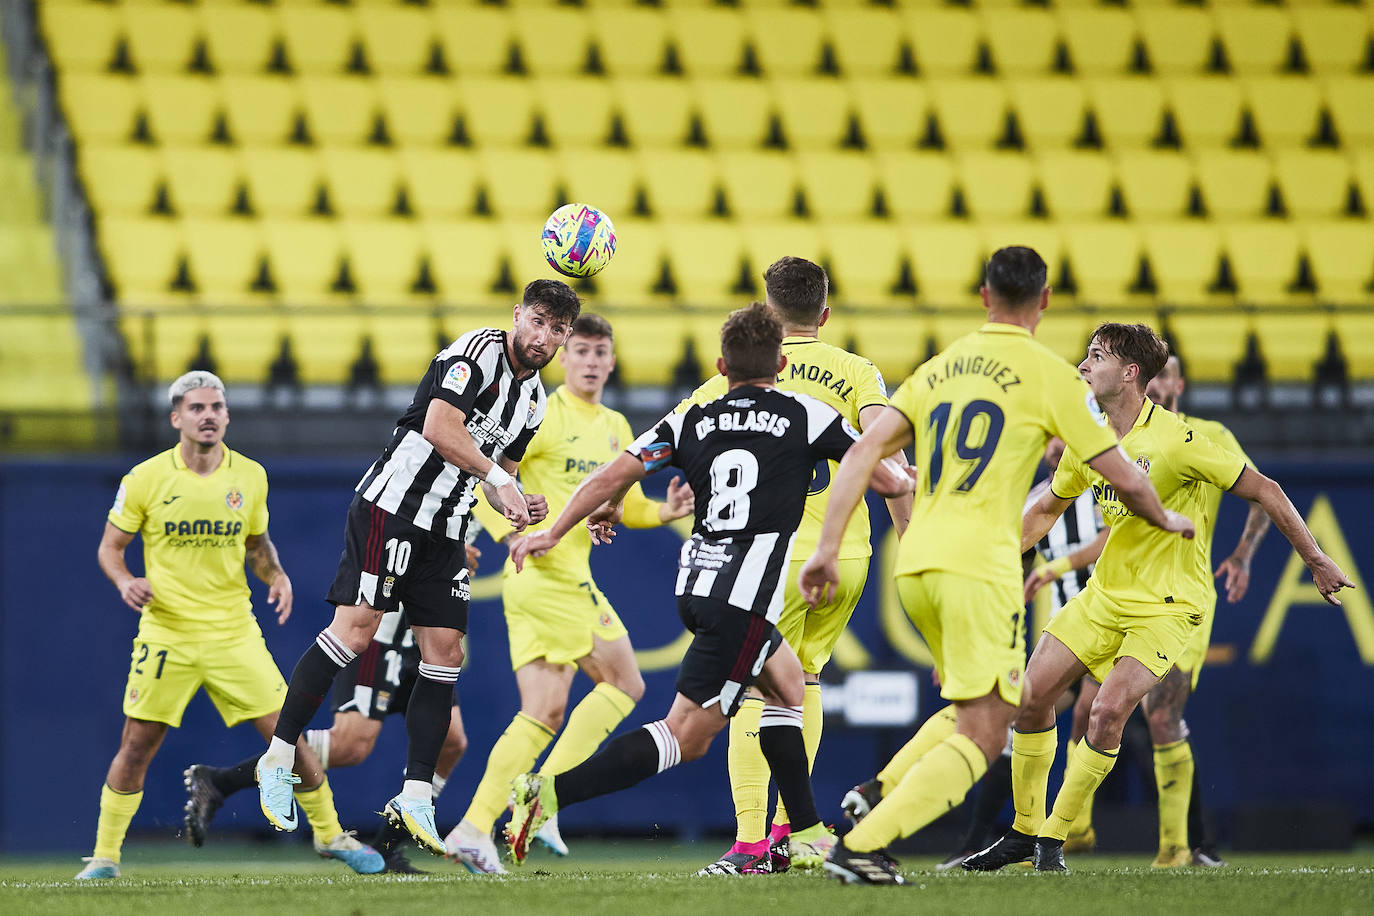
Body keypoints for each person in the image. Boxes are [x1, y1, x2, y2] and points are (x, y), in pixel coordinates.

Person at [798, 247, 1193, 886]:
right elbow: (1121, 472)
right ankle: (862, 843)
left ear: (983, 295)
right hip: (981, 568)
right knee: (986, 733)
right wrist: (1165, 516)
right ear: (1043, 302)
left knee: (975, 708)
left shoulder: (941, 366)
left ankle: (879, 792)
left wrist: (826, 547)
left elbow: (863, 452)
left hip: (916, 559)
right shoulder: (1050, 378)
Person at [502, 303, 912, 869]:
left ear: (722, 364)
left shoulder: (693, 416)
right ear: (780, 363)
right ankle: (547, 794)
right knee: (686, 736)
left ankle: (808, 831)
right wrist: (900, 472)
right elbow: (887, 477)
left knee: (787, 686)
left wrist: (554, 530)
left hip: (697, 584)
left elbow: (610, 477)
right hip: (743, 597)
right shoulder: (808, 415)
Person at [965, 324, 1353, 874]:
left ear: (1129, 374)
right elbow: (1049, 507)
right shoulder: (1090, 438)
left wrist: (1315, 559)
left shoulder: (1179, 440)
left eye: (1095, 357)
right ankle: (1023, 833)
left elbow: (1265, 489)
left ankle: (1054, 841)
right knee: (1030, 700)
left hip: (1169, 605)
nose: (1082, 365)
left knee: (1107, 711)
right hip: (1105, 596)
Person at [254, 280, 579, 855]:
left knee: (445, 653)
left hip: (448, 524)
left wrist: (519, 501)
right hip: (393, 506)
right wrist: (500, 480)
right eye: (536, 320)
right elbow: (440, 428)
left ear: (565, 336)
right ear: (517, 316)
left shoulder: (535, 401)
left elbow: (501, 462)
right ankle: (278, 756)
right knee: (353, 632)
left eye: (556, 328)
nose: (542, 336)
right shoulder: (476, 352)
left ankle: (414, 793)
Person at [78, 371, 382, 880]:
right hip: (167, 632)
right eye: (197, 408)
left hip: (233, 632)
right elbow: (110, 547)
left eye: (217, 407)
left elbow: (256, 545)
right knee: (136, 745)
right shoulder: (146, 478)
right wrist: (125, 580)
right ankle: (105, 857)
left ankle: (330, 835)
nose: (209, 415)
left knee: (288, 738)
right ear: (177, 418)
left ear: (226, 416)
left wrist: (277, 574)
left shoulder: (250, 476)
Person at [675, 257, 912, 876]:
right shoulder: (857, 371)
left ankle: (753, 843)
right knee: (800, 685)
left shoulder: (737, 374)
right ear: (824, 314)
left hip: (767, 558)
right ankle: (793, 834)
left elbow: (691, 440)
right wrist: (909, 544)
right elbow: (883, 456)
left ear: (766, 316)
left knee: (755, 689)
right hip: (846, 556)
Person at [444, 314, 694, 874]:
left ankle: (476, 826)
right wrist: (512, 529)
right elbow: (489, 477)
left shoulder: (615, 425)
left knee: (543, 710)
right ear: (564, 356)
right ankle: (543, 798)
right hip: (546, 572)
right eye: (578, 350)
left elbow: (620, 505)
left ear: (611, 360)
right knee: (625, 680)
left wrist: (663, 510)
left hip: (553, 576)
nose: (588, 361)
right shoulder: (545, 414)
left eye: (599, 352)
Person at [1019, 354, 1271, 867]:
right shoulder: (1107, 436)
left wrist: (1243, 554)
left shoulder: (1203, 434)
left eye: (1169, 374)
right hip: (1114, 597)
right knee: (1087, 706)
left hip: (1178, 599)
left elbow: (1260, 491)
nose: (1160, 382)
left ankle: (1180, 845)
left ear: (1177, 381)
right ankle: (1067, 832)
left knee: (1161, 714)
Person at [185, 594, 474, 873]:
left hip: (423, 639)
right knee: (349, 746)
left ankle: (387, 848)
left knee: (452, 742)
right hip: (380, 635)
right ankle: (221, 782)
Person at [924, 438, 1111, 870]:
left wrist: (1059, 567)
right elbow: (1011, 571)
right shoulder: (1036, 503)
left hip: (1121, 618)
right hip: (1073, 631)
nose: (1055, 447)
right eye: (1047, 438)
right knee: (1017, 714)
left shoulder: (1103, 484)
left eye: (1064, 435)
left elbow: (1110, 539)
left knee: (1096, 710)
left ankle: (1068, 829)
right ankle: (977, 841)